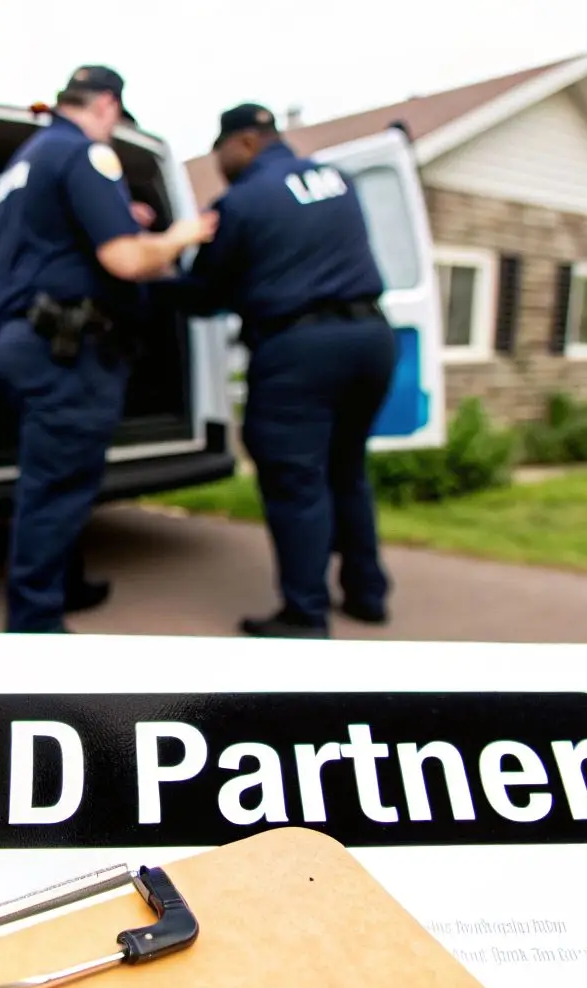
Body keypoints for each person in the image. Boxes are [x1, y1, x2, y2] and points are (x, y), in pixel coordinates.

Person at [0, 65, 217, 634]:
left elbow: (55, 241)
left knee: (54, 473)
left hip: (25, 338)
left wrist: (124, 220)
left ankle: (66, 584)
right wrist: (184, 234)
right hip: (66, 344)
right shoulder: (86, 154)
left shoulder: (22, 163)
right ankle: (33, 622)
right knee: (57, 484)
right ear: (108, 106)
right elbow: (127, 260)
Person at [162, 104, 397, 639]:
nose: (219, 164)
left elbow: (207, 295)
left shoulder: (241, 203)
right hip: (371, 339)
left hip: (301, 349)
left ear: (243, 142)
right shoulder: (337, 179)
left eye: (219, 152)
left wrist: (154, 276)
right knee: (346, 469)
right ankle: (367, 594)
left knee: (296, 481)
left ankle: (304, 614)